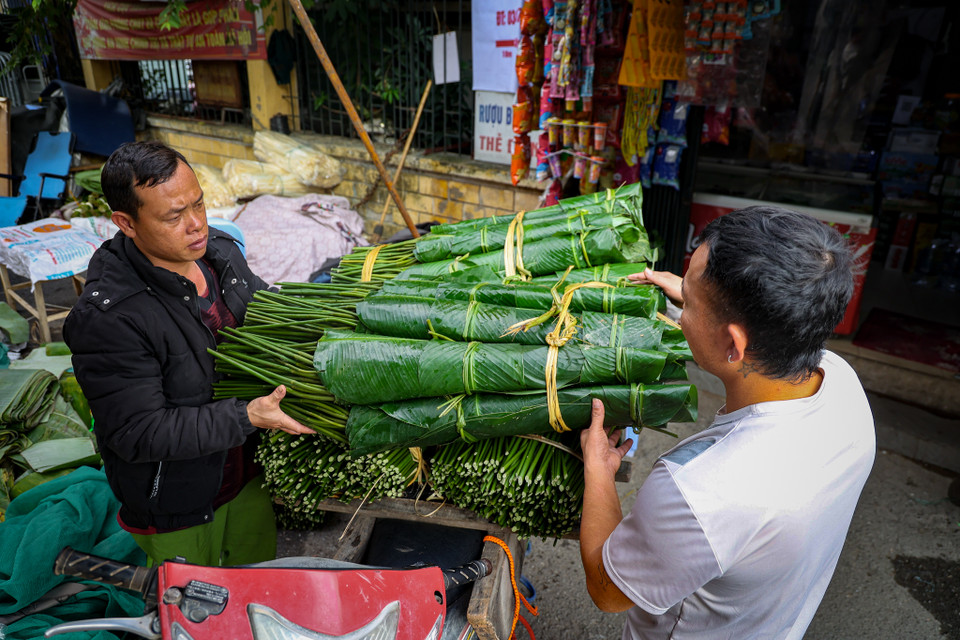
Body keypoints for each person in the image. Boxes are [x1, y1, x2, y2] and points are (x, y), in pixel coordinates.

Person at [579, 205, 876, 639]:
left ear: (734, 343)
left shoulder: (700, 493)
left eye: (690, 304)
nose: (680, 312)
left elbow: (608, 592)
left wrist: (598, 470)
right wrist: (702, 300)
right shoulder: (843, 385)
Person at [63, 141, 314, 568]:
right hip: (177, 504)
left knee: (257, 596)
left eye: (198, 204)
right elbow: (137, 432)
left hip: (248, 477)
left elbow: (266, 312)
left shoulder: (221, 255)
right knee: (196, 619)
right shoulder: (109, 318)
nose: (197, 224)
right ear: (126, 222)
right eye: (173, 217)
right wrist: (246, 416)